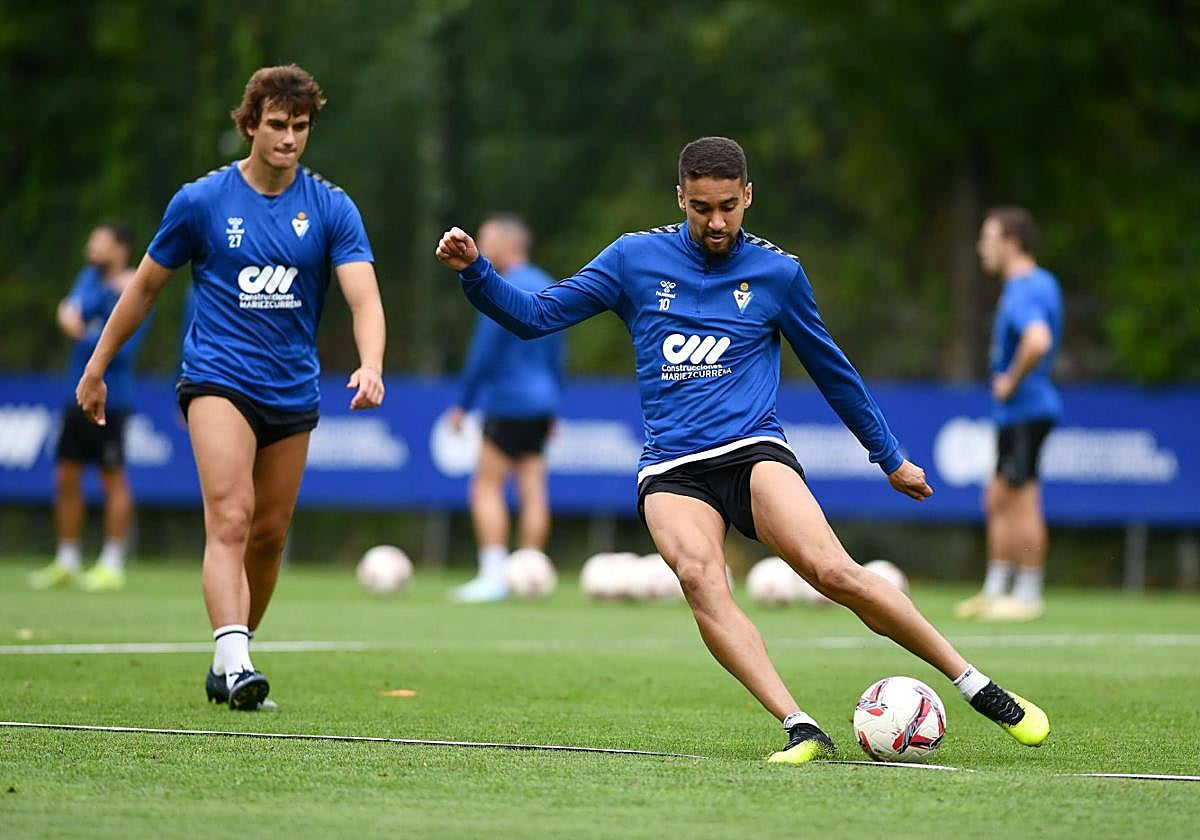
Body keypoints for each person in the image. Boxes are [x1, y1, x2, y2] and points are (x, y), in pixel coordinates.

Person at [436, 136, 1050, 763]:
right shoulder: (633, 259)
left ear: (748, 195)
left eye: (729, 205)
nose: (716, 222)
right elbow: (537, 315)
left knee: (834, 573)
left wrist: (888, 455)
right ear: (680, 197)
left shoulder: (778, 274)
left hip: (753, 452)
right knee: (703, 579)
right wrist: (477, 274)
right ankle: (799, 726)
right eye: (701, 207)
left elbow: (833, 371)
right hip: (672, 469)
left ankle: (977, 685)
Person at [75, 65, 386, 710]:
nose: (289, 139)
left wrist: (371, 362)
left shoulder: (331, 206)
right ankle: (238, 661)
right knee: (232, 516)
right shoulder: (201, 202)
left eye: (300, 127)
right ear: (249, 125)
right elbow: (143, 289)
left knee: (270, 534)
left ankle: (229, 661)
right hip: (218, 378)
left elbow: (363, 297)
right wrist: (97, 365)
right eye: (277, 125)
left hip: (293, 391)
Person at [447, 215, 565, 603]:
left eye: (486, 238)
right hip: (542, 402)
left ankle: (494, 576)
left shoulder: (500, 286)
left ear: (508, 244)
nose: (481, 244)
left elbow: (483, 354)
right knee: (533, 489)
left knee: (486, 485)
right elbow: (557, 352)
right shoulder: (547, 282)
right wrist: (555, 404)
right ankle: (530, 571)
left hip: (509, 402)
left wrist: (463, 404)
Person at [956, 208, 1063, 622]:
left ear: (1011, 243)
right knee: (997, 499)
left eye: (988, 238)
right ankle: (997, 588)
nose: (982, 247)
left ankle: (1029, 593)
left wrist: (1011, 381)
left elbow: (1038, 340)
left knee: (1023, 501)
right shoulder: (1035, 284)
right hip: (1015, 415)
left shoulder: (1025, 287)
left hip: (1026, 410)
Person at [30, 223, 147, 593]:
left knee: (112, 477)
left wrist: (87, 326)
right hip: (75, 395)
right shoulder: (90, 278)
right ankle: (67, 559)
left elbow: (122, 348)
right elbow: (72, 314)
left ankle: (112, 562)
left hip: (114, 399)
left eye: (100, 243)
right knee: (66, 475)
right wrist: (82, 316)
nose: (91, 248)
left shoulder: (137, 287)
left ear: (121, 250)